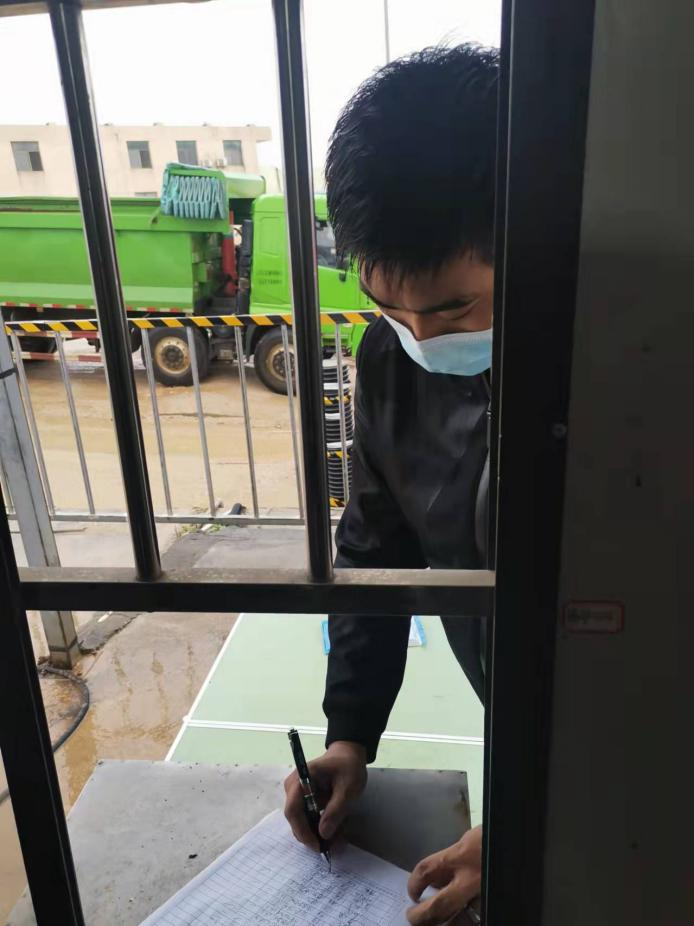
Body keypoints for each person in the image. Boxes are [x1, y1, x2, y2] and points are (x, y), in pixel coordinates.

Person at [285, 44, 498, 925]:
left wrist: (542, 813)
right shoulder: (388, 358)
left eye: (453, 309)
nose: (419, 336)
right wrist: (349, 734)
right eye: (388, 305)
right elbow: (375, 550)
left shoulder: (620, 368)